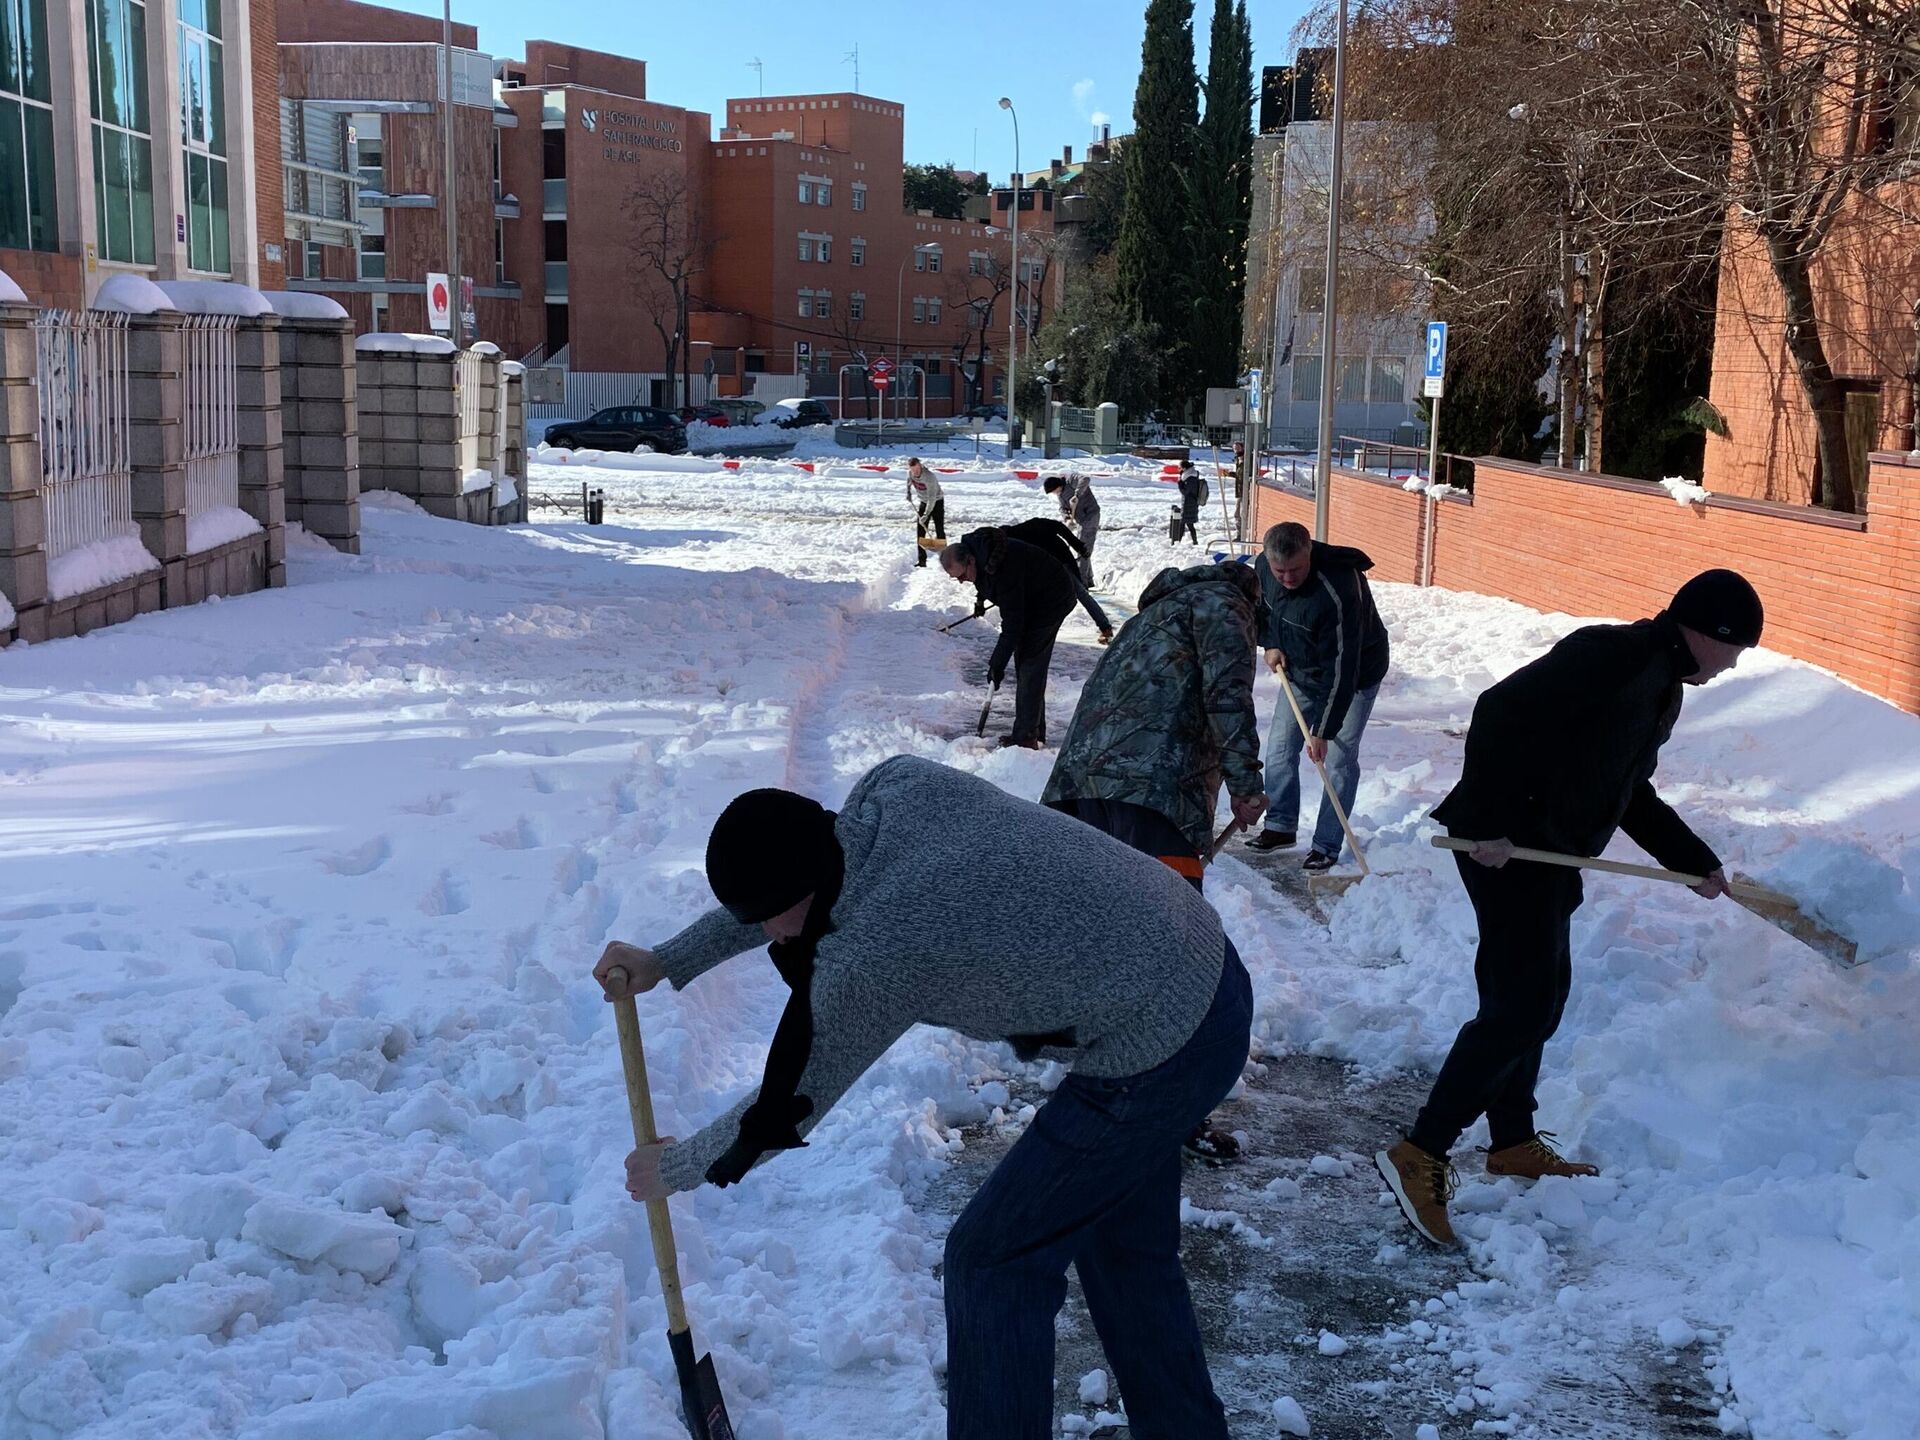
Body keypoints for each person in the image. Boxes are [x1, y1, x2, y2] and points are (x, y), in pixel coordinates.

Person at [598, 756, 1252, 1440]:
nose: (769, 936)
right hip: (1196, 958)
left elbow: (785, 1107)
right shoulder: (891, 791)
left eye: (768, 918)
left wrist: (675, 1168)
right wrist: (670, 958)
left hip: (1158, 1041)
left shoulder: (881, 953)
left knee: (992, 1263)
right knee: (1124, 1249)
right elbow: (788, 893)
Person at [1376, 569, 1764, 1248]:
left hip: (1550, 853)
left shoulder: (1661, 688)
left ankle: (1513, 1140)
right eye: (1734, 650)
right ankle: (1422, 1151)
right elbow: (1499, 711)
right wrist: (1495, 821)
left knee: (1541, 994)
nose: (1733, 665)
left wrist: (1692, 858)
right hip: (1506, 846)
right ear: (1708, 632)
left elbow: (1628, 793)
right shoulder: (1612, 656)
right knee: (1519, 1004)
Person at [1043, 559, 1268, 1161]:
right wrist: (1246, 784)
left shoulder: (1157, 611)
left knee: (1109, 941)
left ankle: (1098, 1083)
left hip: (1084, 790)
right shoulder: (1226, 609)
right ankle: (1162, 1109)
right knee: (1176, 957)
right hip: (1155, 796)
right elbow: (1228, 697)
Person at [1246, 522, 1390, 872]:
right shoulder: (1265, 567)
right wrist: (1272, 642)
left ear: (1309, 551)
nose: (1287, 578)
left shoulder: (1337, 590)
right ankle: (1280, 826)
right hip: (1299, 668)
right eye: (1280, 570)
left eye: (1295, 569)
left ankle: (1326, 844)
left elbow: (1343, 669)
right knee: (1280, 748)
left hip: (1352, 678)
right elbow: (1264, 608)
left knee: (1337, 760)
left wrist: (1323, 730)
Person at [941, 530, 1077, 748]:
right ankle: (1033, 730)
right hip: (1033, 595)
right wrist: (980, 599)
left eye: (962, 576)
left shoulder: (1004, 570)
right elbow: (984, 581)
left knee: (1030, 662)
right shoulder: (981, 556)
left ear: (971, 561)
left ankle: (1026, 737)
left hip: (1053, 598)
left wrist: (997, 664)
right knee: (1026, 660)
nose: (961, 581)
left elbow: (1013, 626)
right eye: (956, 578)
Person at [968, 517, 1114, 642]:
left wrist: (1079, 546)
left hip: (1060, 561)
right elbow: (990, 575)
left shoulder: (1029, 529)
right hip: (1041, 572)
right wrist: (980, 601)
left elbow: (1058, 527)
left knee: (1080, 593)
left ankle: (1105, 627)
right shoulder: (1004, 550)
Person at [1043, 473, 1101, 585]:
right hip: (1081, 520)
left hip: (1091, 515)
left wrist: (1077, 495)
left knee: (1082, 549)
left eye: (1055, 491)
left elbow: (1085, 479)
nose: (1055, 494)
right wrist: (1067, 518)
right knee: (1083, 547)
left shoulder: (1071, 480)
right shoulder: (1061, 495)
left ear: (1058, 485)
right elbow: (1062, 508)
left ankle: (1082, 583)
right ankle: (1089, 580)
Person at [907, 456, 944, 568]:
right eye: (913, 470)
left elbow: (932, 499)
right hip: (923, 501)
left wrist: (926, 515)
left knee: (939, 530)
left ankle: (945, 559)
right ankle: (922, 561)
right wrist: (908, 493)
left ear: (920, 465)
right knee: (920, 531)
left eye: (917, 469)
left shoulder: (929, 477)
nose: (916, 472)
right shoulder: (910, 473)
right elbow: (909, 481)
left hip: (936, 501)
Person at [1176, 460, 1207, 546]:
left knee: (1184, 523)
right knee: (1189, 524)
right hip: (1189, 503)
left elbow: (1185, 492)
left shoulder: (1191, 478)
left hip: (1189, 503)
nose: (1179, 469)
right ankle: (1193, 541)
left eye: (1180, 467)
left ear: (1184, 468)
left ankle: (1179, 541)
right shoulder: (1189, 476)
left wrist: (1179, 483)